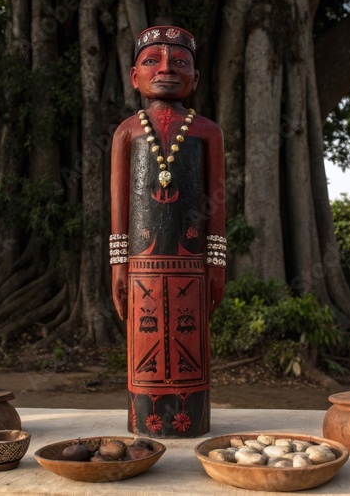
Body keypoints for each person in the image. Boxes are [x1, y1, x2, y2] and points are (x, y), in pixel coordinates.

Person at [109, 26, 225, 438]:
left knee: (189, 339)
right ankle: (148, 418)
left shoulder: (208, 132)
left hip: (191, 267)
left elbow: (217, 202)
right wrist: (119, 264)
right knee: (145, 342)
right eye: (152, 61)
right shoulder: (127, 131)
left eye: (179, 62)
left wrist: (216, 263)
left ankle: (189, 418)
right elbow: (119, 205)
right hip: (142, 266)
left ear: (195, 76)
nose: (166, 70)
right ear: (133, 75)